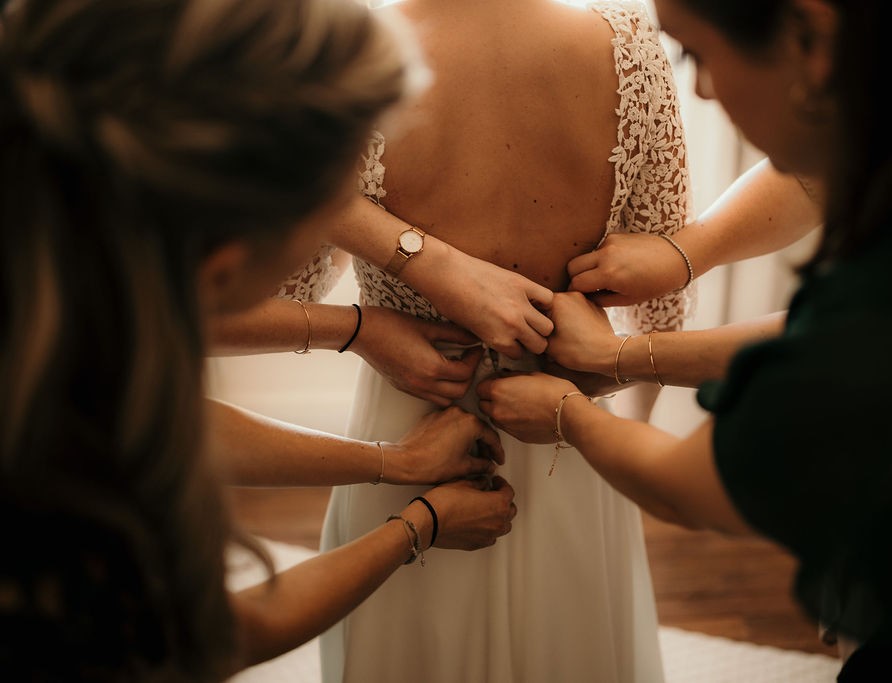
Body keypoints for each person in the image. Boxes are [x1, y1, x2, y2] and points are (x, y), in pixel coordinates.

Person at [477, 0, 892, 680]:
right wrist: (683, 258)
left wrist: (568, 412)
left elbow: (690, 485)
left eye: (695, 55)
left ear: (809, 38)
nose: (700, 89)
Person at [0, 0, 515, 680]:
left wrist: (396, 461)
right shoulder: (70, 523)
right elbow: (226, 632)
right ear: (220, 271)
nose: (343, 242)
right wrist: (417, 524)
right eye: (330, 220)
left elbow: (159, 421)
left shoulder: (56, 295)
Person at [259, 1, 695, 680]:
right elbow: (661, 305)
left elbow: (288, 287)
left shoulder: (346, 56)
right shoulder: (628, 46)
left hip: (412, 430)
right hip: (566, 430)